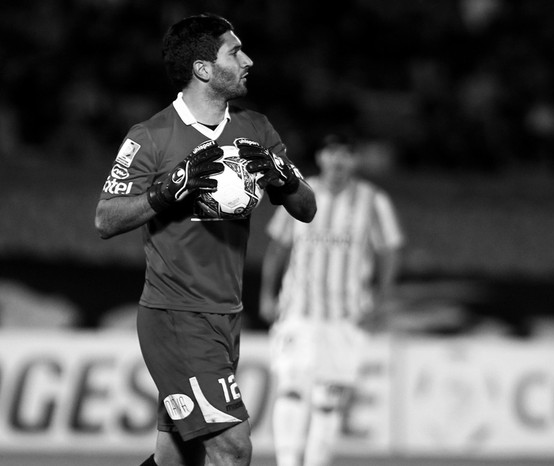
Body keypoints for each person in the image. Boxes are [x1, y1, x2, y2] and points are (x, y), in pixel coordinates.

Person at [94, 13, 316, 466]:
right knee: (232, 450)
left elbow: (307, 209)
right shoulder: (151, 137)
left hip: (225, 316)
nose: (248, 60)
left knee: (176, 457)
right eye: (235, 51)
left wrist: (283, 177)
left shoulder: (255, 129)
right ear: (202, 69)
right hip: (177, 315)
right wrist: (165, 191)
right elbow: (105, 218)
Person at [259, 133, 404, 466]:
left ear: (354, 160)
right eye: (331, 152)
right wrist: (267, 294)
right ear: (321, 157)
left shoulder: (372, 200)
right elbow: (278, 246)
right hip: (298, 309)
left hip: (345, 316)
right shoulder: (298, 191)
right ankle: (287, 462)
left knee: (328, 399)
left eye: (345, 154)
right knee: (291, 388)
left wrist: (381, 301)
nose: (338, 161)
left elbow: (389, 252)